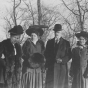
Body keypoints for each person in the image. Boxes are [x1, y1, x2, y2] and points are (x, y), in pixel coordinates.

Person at [44, 24, 72, 88]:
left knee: (61, 85)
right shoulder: (49, 42)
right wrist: (48, 62)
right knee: (51, 85)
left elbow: (69, 55)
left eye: (58, 32)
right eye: (55, 32)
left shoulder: (66, 43)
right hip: (51, 68)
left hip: (61, 68)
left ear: (61, 32)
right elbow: (46, 53)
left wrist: (62, 60)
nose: (57, 33)